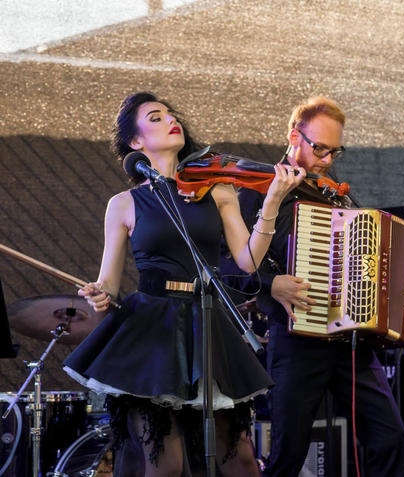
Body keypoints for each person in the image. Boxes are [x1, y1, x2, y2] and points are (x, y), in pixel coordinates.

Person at [64, 91, 304, 476]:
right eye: (156, 117)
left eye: (170, 114)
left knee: (239, 457)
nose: (170, 119)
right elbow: (107, 282)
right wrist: (99, 296)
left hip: (206, 323)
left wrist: (272, 201)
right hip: (150, 332)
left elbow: (248, 261)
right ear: (135, 142)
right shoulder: (123, 203)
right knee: (166, 462)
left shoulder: (217, 190)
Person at [227, 96, 404, 477]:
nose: (326, 160)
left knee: (390, 438)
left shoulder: (337, 196)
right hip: (297, 342)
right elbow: (230, 267)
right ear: (295, 136)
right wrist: (272, 285)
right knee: (288, 455)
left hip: (349, 341)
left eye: (334, 152)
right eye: (319, 148)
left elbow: (368, 266)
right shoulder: (256, 191)